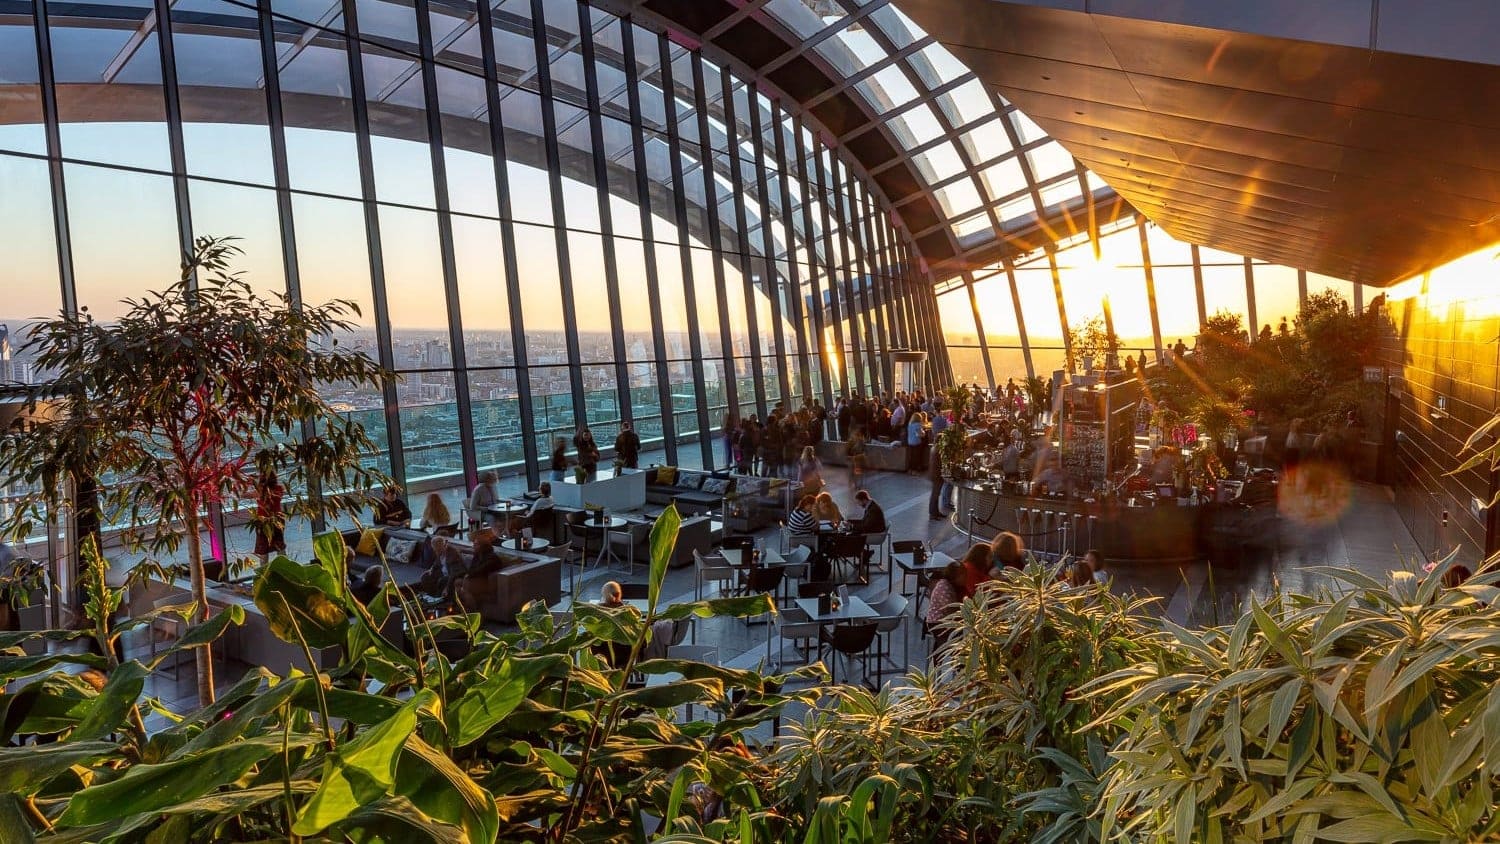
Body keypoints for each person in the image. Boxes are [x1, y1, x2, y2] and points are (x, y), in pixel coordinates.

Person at [925, 560, 965, 652]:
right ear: (955, 576)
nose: (966, 578)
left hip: (946, 621)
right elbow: (950, 610)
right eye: (963, 575)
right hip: (937, 623)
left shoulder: (953, 585)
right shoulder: (944, 587)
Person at [252, 471, 286, 564]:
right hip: (277, 519)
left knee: (263, 547)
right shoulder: (280, 488)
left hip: (263, 521)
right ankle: (284, 566)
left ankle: (264, 570)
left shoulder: (260, 490)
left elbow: (246, 495)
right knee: (279, 545)